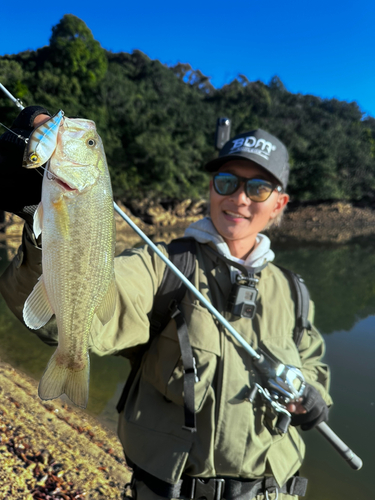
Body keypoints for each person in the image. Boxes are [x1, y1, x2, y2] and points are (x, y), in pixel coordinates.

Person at [0, 106, 332, 500]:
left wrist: (314, 397)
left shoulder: (294, 292)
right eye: (226, 181)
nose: (240, 198)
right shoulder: (162, 268)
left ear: (280, 203)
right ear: (211, 187)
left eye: (258, 188)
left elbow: (314, 363)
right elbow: (86, 313)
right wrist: (40, 222)